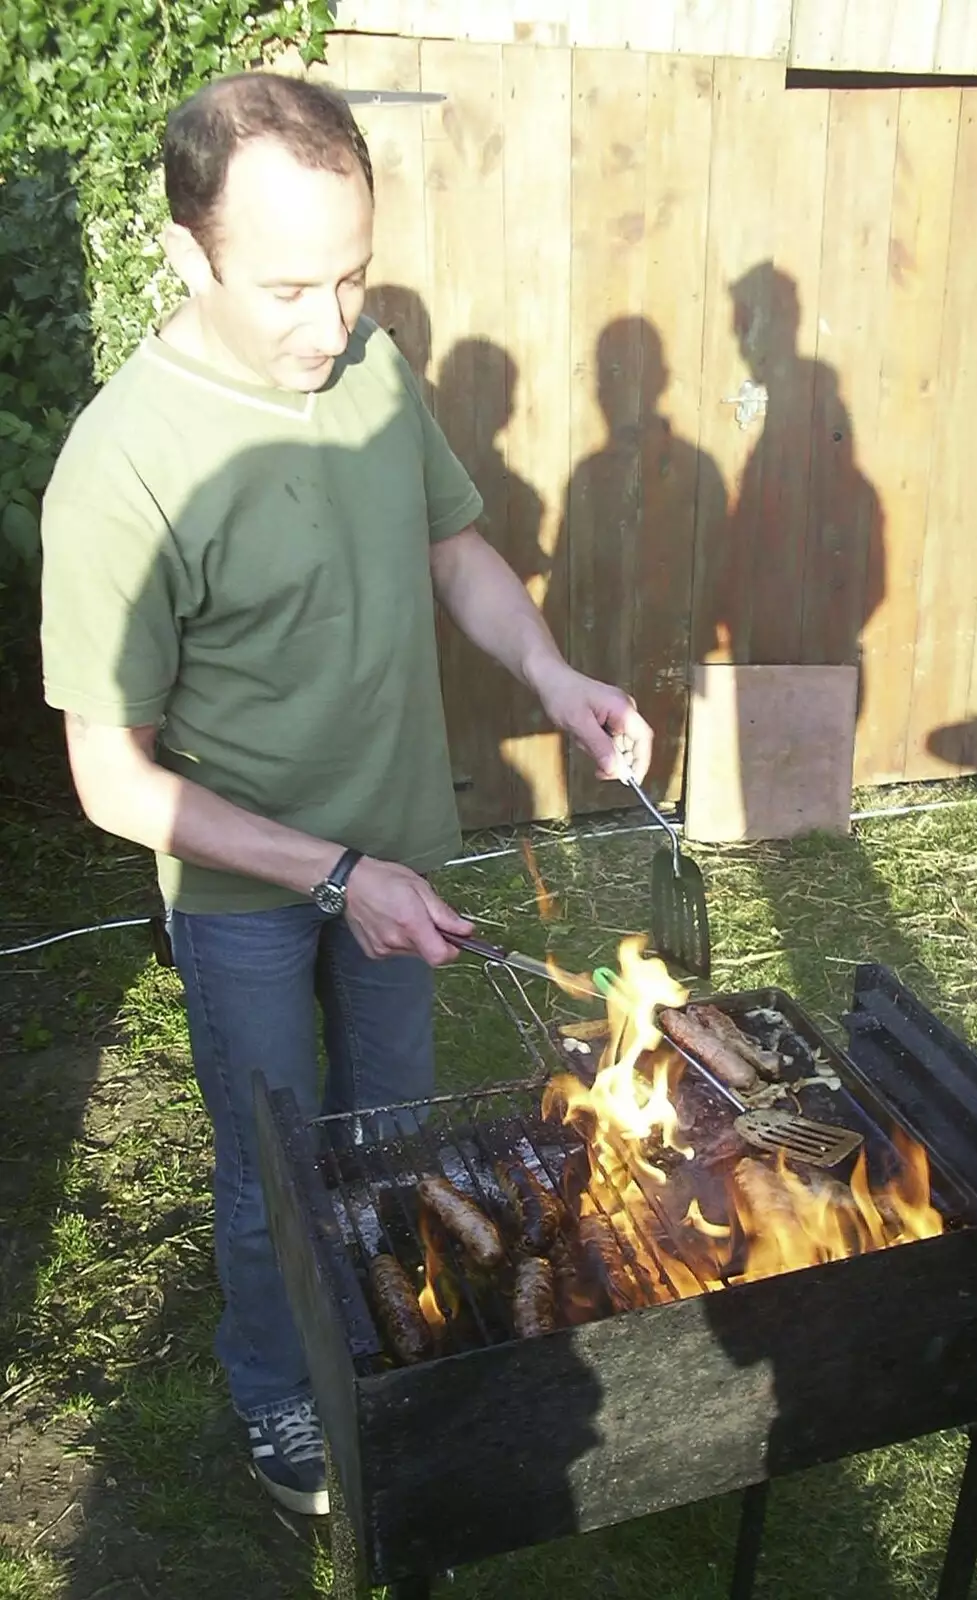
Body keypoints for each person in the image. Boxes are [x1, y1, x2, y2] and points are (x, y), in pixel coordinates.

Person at [38, 71, 652, 1518]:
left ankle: (399, 1352)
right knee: (275, 1170)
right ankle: (279, 1397)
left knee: (394, 1137)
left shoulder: (370, 368)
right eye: (289, 287)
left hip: (404, 856)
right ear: (187, 256)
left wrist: (554, 675)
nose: (332, 325)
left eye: (356, 276)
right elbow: (110, 778)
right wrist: (332, 876)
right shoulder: (123, 468)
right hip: (252, 894)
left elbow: (453, 553)